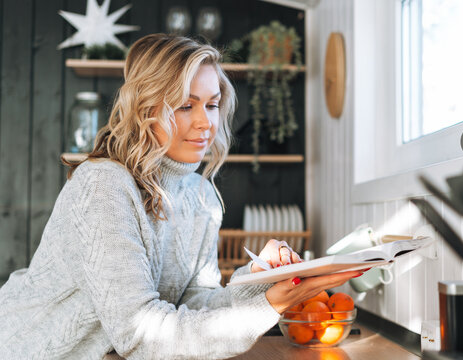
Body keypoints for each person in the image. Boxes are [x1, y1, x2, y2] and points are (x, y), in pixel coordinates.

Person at [0, 34, 365, 359]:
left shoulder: (200, 196)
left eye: (212, 104)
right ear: (145, 109)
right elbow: (140, 335)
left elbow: (194, 303)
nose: (206, 122)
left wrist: (258, 281)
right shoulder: (104, 186)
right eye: (185, 105)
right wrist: (267, 306)